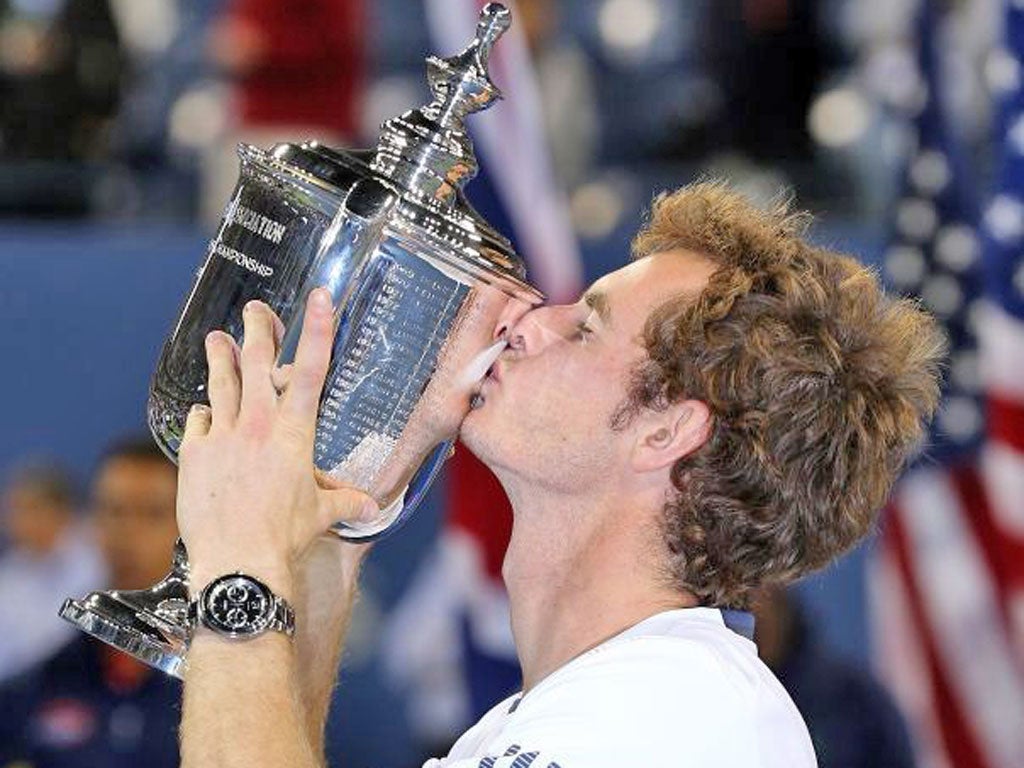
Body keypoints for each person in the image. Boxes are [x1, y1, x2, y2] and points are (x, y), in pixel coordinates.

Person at [174, 182, 945, 767]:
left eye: (584, 327)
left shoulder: (673, 716)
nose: (528, 320)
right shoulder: (588, 709)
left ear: (667, 430)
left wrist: (239, 564)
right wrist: (343, 530)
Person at [0, 438, 182, 768]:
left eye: (153, 513)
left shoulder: (225, 684)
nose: (127, 531)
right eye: (113, 510)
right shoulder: (35, 688)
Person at [753, 587, 917, 768]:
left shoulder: (856, 699)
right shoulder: (727, 691)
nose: (757, 631)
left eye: (762, 621)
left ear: (784, 615)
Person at [0, 462, 105, 682]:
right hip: (29, 690)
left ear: (60, 510)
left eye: (30, 509)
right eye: (13, 511)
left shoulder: (98, 556)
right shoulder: (9, 576)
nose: (18, 522)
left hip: (93, 678)